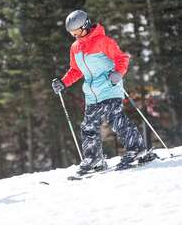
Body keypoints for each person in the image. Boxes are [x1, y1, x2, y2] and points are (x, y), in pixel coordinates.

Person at [52, 10, 150, 175]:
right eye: (72, 33)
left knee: (116, 119)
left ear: (87, 25)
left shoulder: (103, 41)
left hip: (110, 87)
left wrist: (118, 73)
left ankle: (137, 149)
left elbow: (122, 58)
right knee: (88, 126)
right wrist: (63, 82)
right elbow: (76, 71)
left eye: (78, 31)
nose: (76, 35)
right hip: (92, 93)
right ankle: (94, 158)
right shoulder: (75, 48)